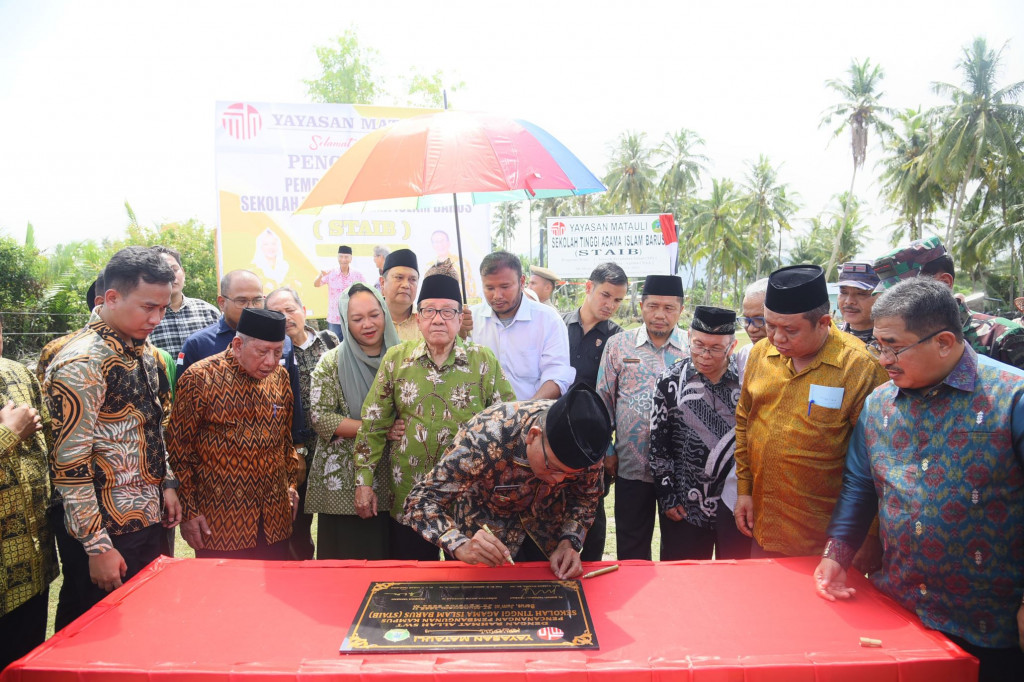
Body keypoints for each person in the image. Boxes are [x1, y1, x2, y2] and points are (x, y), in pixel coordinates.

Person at [814, 278, 1024, 681]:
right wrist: (837, 554)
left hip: (990, 624)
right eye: (878, 345)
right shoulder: (880, 405)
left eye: (894, 346)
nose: (882, 359)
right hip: (900, 609)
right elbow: (860, 486)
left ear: (944, 342)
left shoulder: (1011, 398)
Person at [43, 246, 181, 630]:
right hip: (107, 531)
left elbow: (152, 426)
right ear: (111, 298)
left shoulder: (146, 352)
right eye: (147, 307)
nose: (156, 318)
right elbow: (69, 465)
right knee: (95, 637)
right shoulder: (82, 362)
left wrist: (167, 482)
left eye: (163, 308)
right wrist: (97, 546)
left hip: (149, 518)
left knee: (147, 628)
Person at [353, 273, 515, 560]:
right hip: (411, 498)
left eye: (447, 311)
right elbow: (373, 424)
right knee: (413, 587)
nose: (437, 319)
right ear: (418, 318)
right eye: (429, 311)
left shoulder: (483, 361)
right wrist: (364, 481)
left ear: (459, 317)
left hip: (469, 499)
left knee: (467, 587)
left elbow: (508, 425)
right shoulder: (396, 359)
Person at [734, 265, 888, 562]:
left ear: (824, 323)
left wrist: (867, 536)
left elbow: (877, 460)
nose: (777, 338)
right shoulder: (760, 354)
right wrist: (745, 490)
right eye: (770, 325)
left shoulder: (859, 367)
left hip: (827, 541)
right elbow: (745, 422)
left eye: (790, 330)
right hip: (764, 526)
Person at [403, 383, 612, 579]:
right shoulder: (484, 438)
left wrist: (569, 542)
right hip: (482, 547)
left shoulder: (587, 446)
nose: (558, 481)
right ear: (533, 436)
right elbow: (419, 502)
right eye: (553, 468)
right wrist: (459, 545)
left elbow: (586, 497)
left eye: (569, 476)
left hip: (546, 540)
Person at [166, 308, 300, 560]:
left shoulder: (279, 378)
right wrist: (190, 511)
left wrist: (290, 485)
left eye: (278, 352)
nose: (271, 361)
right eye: (262, 352)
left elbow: (285, 441)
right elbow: (178, 452)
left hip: (274, 519)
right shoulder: (199, 378)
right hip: (220, 523)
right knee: (226, 596)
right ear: (238, 345)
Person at [596, 274, 687, 560]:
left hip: (680, 471)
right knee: (631, 547)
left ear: (681, 310)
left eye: (669, 308)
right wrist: (607, 450)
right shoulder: (618, 345)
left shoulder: (692, 347)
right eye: (653, 306)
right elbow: (603, 402)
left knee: (678, 549)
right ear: (641, 306)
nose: (660, 315)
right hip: (630, 464)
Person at [306, 283, 400, 559]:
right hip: (346, 486)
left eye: (374, 315)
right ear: (345, 322)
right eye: (357, 319)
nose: (368, 324)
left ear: (385, 313)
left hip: (398, 476)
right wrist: (380, 429)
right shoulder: (331, 362)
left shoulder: (406, 359)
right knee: (349, 570)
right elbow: (321, 417)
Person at [650, 306, 744, 560]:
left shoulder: (745, 381)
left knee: (732, 582)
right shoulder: (671, 380)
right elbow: (659, 442)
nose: (704, 355)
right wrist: (667, 495)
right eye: (698, 345)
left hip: (734, 505)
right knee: (683, 583)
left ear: (732, 346)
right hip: (684, 505)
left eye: (715, 348)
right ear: (689, 337)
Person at [178, 269, 306, 445]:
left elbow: (293, 400)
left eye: (257, 300)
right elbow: (183, 422)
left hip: (273, 455)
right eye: (242, 301)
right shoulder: (198, 345)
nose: (251, 307)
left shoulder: (283, 341)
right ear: (222, 303)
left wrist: (298, 446)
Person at [265, 287, 339, 560]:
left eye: (290, 310)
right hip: (292, 450)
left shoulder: (329, 341)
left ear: (303, 310)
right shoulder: (271, 351)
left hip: (331, 445)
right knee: (296, 523)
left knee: (334, 520)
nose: (285, 317)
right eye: (276, 313)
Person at [873, 236, 1024, 370]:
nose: (894, 302)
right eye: (889, 294)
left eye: (905, 292)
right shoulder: (891, 341)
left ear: (944, 282)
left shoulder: (1002, 336)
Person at [0, 314, 57, 669]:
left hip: (30, 559)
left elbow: (49, 439)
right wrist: (7, 435)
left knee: (24, 661)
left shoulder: (15, 374)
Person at [561, 262, 627, 561]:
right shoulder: (558, 326)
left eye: (618, 300)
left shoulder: (618, 339)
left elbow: (616, 398)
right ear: (588, 288)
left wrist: (609, 446)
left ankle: (591, 574)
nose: (610, 305)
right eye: (605, 295)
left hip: (594, 441)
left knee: (592, 510)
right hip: (553, 433)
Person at [470, 251, 574, 400]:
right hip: (480, 419)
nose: (497, 295)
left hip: (531, 418)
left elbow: (556, 376)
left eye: (505, 287)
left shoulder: (549, 320)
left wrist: (525, 413)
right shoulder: (470, 320)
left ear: (522, 281)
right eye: (490, 288)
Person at [717, 276, 769, 559]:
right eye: (746, 320)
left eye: (760, 320)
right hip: (737, 485)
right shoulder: (743, 356)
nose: (752, 328)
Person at [148, 246, 220, 358]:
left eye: (174, 269)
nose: (171, 276)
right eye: (162, 270)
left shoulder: (209, 312)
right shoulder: (145, 317)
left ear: (183, 272)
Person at [314, 245, 366, 339]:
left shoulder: (357, 274)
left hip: (352, 317)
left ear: (351, 259)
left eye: (346, 257)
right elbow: (316, 284)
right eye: (341, 256)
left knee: (352, 346)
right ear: (338, 258)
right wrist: (321, 275)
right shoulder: (330, 272)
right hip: (334, 318)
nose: (343, 259)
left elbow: (365, 290)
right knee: (334, 346)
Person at [378, 248, 420, 342]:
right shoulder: (369, 320)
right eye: (399, 278)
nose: (406, 285)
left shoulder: (425, 322)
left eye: (412, 279)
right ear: (382, 283)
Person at [836, 261, 880, 345]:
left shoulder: (891, 342)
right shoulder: (830, 337)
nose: (849, 301)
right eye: (843, 292)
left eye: (861, 293)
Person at [429, 229, 478, 301]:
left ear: (448, 243)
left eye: (442, 241)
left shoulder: (462, 262)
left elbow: (471, 288)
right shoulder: (428, 267)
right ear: (433, 245)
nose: (440, 245)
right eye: (436, 242)